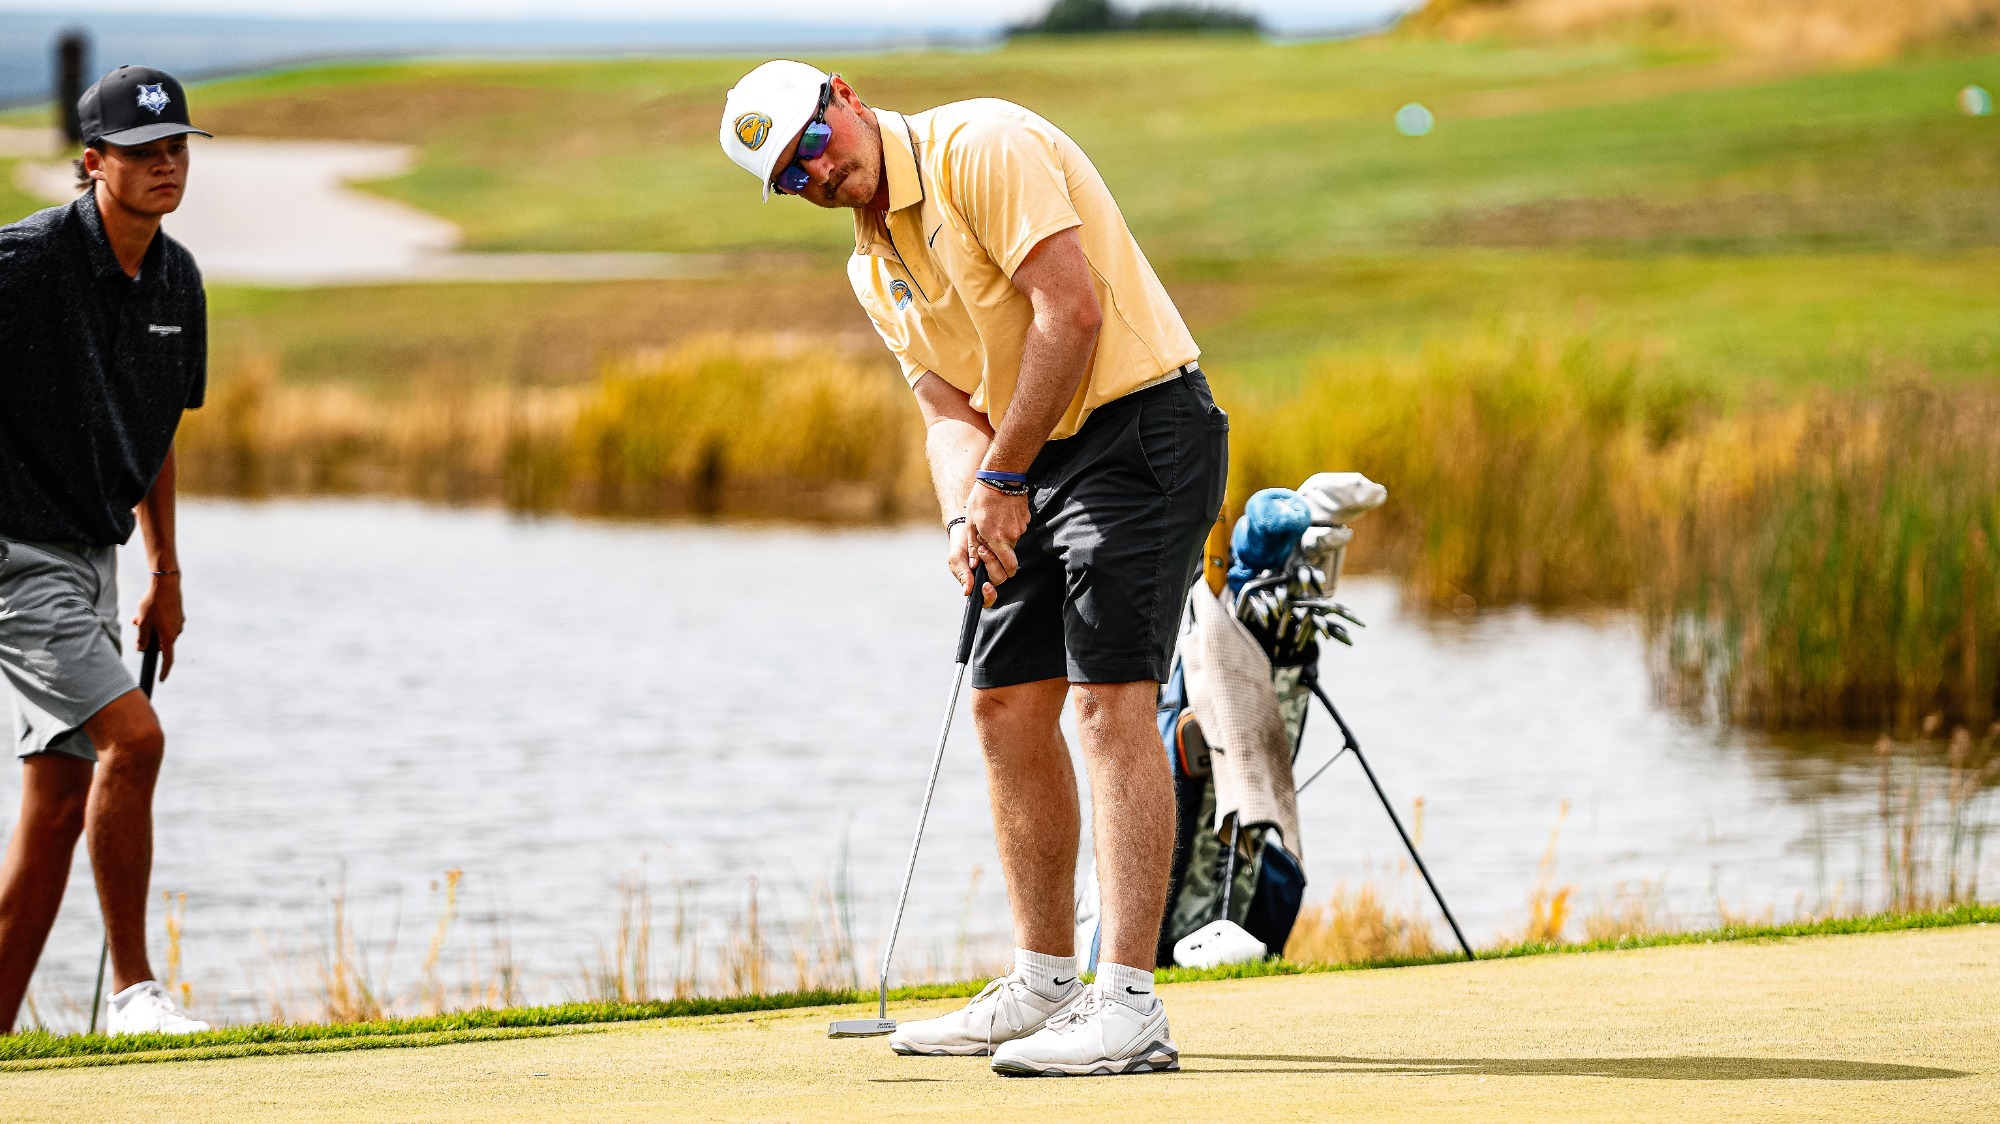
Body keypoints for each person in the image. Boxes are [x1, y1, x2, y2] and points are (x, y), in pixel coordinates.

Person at [720, 61, 1227, 1077]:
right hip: (1026, 464)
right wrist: (966, 508)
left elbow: (1069, 315)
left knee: (1106, 704)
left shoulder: (979, 147)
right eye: (789, 178)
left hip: (1140, 432)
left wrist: (1001, 474)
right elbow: (946, 409)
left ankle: (1126, 1001)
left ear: (844, 96)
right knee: (1001, 706)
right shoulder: (870, 268)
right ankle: (1043, 982)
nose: (816, 175)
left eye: (813, 142)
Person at [0, 65, 214, 1035]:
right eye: (141, 151)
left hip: (97, 555)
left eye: (175, 148)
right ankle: (135, 993)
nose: (164, 166)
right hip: (13, 553)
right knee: (137, 737)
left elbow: (157, 430)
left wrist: (163, 571)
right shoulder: (28, 261)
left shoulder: (176, 278)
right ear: (92, 164)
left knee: (55, 810)